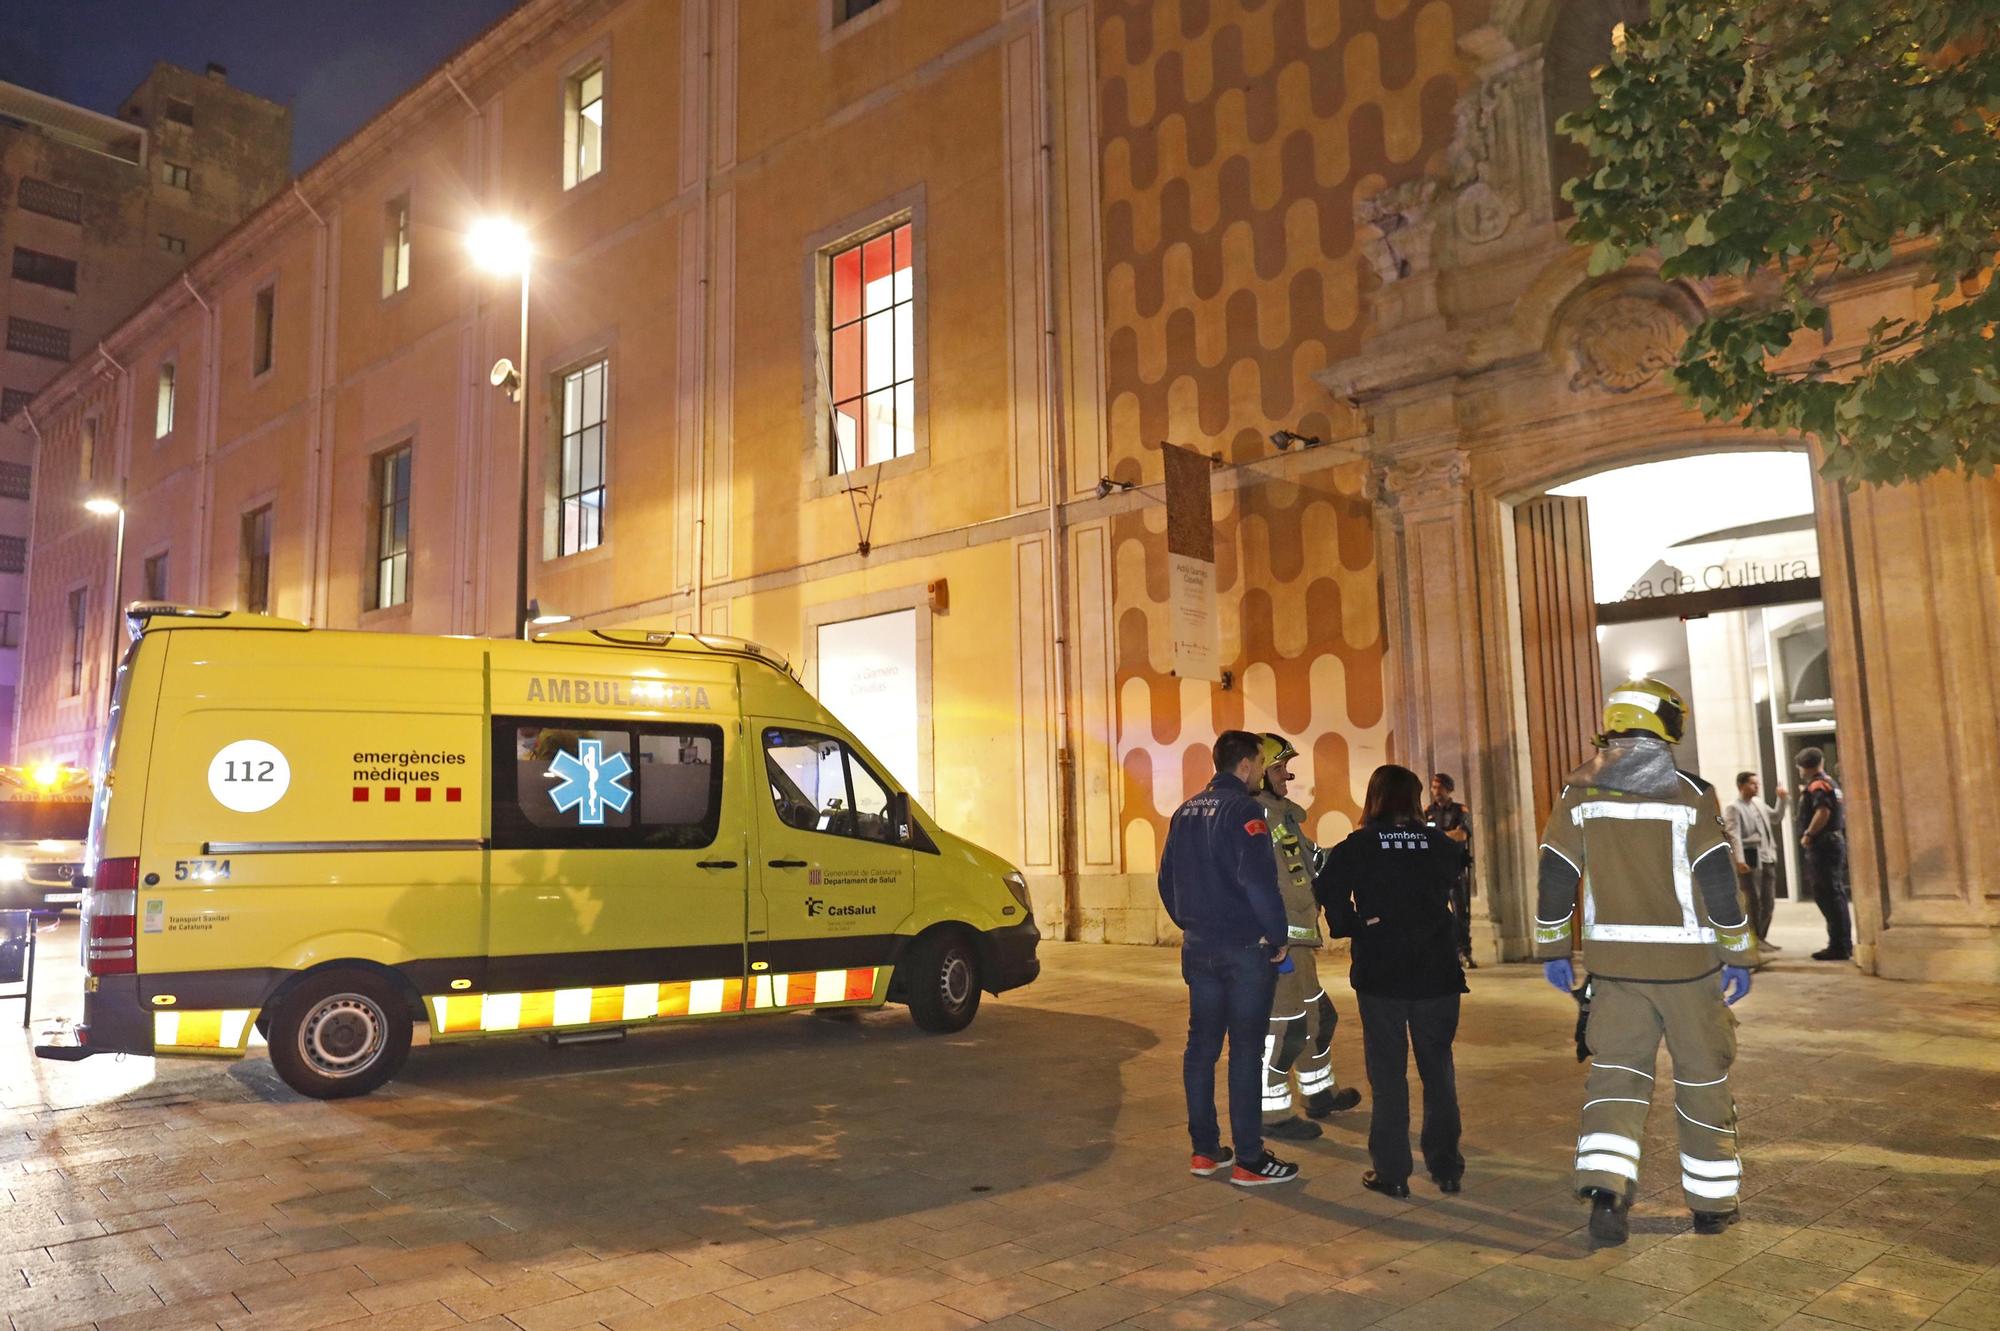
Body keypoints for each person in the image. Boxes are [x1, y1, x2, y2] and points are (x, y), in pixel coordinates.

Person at [1535, 678, 1756, 1247]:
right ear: (1664, 725)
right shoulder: (1689, 792)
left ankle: (1607, 1191)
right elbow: (1716, 881)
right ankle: (1712, 1204)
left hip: (1614, 971)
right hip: (1690, 973)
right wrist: (1738, 953)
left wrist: (1555, 948)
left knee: (1616, 1081)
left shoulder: (1578, 792)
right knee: (1703, 1081)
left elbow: (1556, 868)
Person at [1158, 729, 1302, 1187]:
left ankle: (1205, 1152)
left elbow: (1165, 881)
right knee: (1244, 1050)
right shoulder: (1245, 809)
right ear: (1245, 765)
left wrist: (1190, 923)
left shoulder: (1184, 811)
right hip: (1242, 951)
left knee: (1200, 1049)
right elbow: (1258, 881)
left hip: (1199, 947)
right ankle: (1249, 1159)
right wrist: (1277, 935)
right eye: (1261, 762)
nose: (1262, 769)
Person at [1318, 764, 1469, 1199]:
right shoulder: (1439, 844)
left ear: (1375, 798)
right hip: (1437, 971)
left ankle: (1392, 1172)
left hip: (1382, 970)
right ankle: (1446, 1167)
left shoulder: (1360, 845)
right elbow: (1451, 875)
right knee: (1438, 1071)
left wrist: (1351, 924)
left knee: (1387, 1076)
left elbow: (1327, 887)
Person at [1254, 733, 1363, 1143]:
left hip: (1302, 942)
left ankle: (1318, 1093)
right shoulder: (1253, 817)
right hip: (1279, 945)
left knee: (1318, 1018)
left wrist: (1357, 847)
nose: (1289, 774)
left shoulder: (1281, 815)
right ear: (1261, 771)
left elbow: (1312, 860)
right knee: (1283, 1027)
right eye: (1281, 768)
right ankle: (1273, 1113)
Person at [1795, 748, 1852, 961]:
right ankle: (1841, 943)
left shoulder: (1817, 785)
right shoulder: (1831, 783)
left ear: (1803, 766)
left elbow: (1823, 811)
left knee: (1828, 895)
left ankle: (1838, 946)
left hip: (1824, 845)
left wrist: (1809, 834)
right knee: (1835, 894)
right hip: (1833, 843)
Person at [1723, 771, 1787, 953]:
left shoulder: (1758, 803)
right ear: (1741, 786)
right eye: (1752, 784)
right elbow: (1733, 835)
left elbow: (1775, 817)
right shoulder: (1733, 808)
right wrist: (1739, 860)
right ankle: (1753, 939)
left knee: (1768, 902)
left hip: (1768, 857)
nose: (1756, 787)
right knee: (1753, 902)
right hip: (1751, 858)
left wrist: (1781, 800)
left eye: (1757, 784)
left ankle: (1761, 937)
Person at [1423, 773, 1476, 968]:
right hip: (1434, 871)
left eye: (1440, 787)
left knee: (1460, 914)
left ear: (1449, 789)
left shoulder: (1460, 810)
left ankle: (1464, 952)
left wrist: (1436, 837)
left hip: (1455, 868)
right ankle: (1442, 952)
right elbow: (1421, 837)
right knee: (1435, 913)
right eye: (1434, 787)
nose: (1436, 791)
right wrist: (1444, 836)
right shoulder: (1427, 811)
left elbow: (1461, 834)